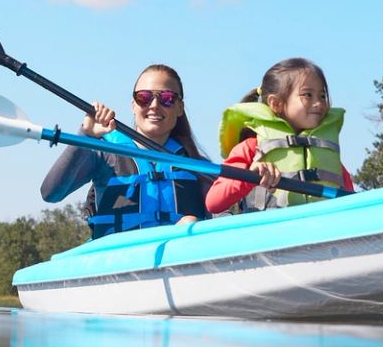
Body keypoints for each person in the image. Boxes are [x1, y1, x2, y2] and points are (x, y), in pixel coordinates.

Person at [40, 63, 210, 239]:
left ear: (180, 107)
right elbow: (51, 193)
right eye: (144, 97)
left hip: (178, 261)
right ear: (133, 106)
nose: (154, 105)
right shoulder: (105, 154)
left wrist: (196, 230)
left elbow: (224, 216)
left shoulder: (198, 166)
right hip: (119, 262)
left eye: (167, 98)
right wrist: (86, 136)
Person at [206, 57, 353, 214]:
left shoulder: (326, 152)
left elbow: (353, 201)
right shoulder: (250, 147)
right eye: (307, 95)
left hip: (323, 234)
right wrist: (249, 176)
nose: (318, 103)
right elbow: (213, 203)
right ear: (276, 103)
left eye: (322, 96)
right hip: (271, 235)